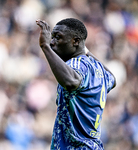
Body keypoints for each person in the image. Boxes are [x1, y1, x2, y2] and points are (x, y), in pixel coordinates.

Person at [36, 18, 116, 150]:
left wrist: (45, 47)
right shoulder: (97, 68)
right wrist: (86, 51)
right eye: (52, 37)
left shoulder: (76, 63)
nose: (52, 42)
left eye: (58, 37)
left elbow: (71, 82)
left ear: (75, 41)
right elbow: (112, 79)